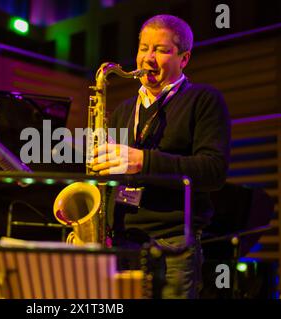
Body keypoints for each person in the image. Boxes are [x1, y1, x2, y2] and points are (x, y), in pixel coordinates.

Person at [92, 14, 231, 298]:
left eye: (161, 50)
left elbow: (213, 171)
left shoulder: (204, 100)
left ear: (184, 58)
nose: (148, 59)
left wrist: (143, 161)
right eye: (144, 48)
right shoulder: (122, 110)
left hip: (174, 244)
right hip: (121, 242)